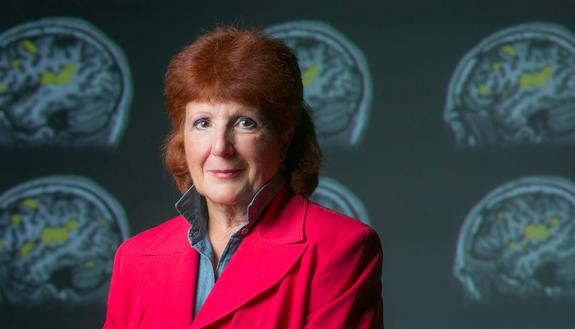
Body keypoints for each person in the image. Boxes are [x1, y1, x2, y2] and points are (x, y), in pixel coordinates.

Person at [103, 26, 383, 329]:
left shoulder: (338, 248)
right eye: (202, 123)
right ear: (182, 139)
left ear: (284, 139)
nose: (221, 147)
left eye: (245, 123)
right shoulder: (134, 257)